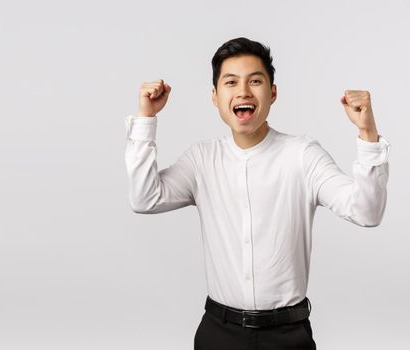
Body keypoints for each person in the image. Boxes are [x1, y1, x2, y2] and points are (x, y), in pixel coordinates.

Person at [124, 37, 391, 350]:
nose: (243, 91)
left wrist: (367, 134)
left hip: (287, 335)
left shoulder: (302, 155)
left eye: (255, 81)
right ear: (215, 96)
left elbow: (367, 212)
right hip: (218, 333)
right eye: (231, 82)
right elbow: (144, 198)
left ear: (272, 92)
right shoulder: (201, 160)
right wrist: (145, 120)